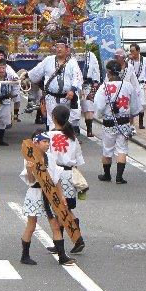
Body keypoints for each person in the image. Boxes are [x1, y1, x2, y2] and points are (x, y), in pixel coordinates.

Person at [19, 131, 76, 266]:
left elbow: (56, 179)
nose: (47, 144)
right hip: (35, 193)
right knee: (31, 225)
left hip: (50, 193)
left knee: (55, 225)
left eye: (47, 142)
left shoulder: (50, 158)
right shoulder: (30, 158)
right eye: (44, 142)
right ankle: (24, 255)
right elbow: (31, 180)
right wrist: (29, 170)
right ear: (36, 143)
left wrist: (61, 196)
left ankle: (62, 256)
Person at [46, 105, 86, 254]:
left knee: (60, 209)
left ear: (54, 118)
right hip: (70, 175)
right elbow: (78, 161)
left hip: (56, 175)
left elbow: (46, 158)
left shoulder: (48, 136)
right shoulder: (72, 137)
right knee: (64, 208)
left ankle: (76, 238)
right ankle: (60, 241)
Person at [95, 59, 135, 184]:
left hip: (109, 123)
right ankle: (119, 177)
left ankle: (107, 175)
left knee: (107, 149)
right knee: (122, 149)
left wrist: (99, 115)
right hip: (124, 123)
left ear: (108, 72)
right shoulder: (128, 86)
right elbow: (134, 105)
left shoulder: (104, 87)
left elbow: (99, 106)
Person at [27, 40, 83, 131]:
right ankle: (53, 142)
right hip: (51, 97)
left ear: (66, 49)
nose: (59, 49)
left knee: (67, 121)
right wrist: (26, 76)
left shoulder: (72, 62)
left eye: (61, 47)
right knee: (52, 121)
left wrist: (73, 90)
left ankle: (67, 141)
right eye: (57, 47)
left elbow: (76, 78)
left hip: (67, 98)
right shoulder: (48, 60)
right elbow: (36, 73)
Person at [0, 58, 19, 146]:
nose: (1, 70)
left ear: (6, 68)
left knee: (3, 121)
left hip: (6, 100)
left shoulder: (10, 76)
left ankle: (0, 140)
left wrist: (14, 95)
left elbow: (16, 81)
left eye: (3, 68)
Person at [126, 44, 146, 130]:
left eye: (133, 51)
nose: (132, 53)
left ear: (138, 51)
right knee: (130, 104)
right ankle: (131, 123)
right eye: (130, 51)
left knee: (141, 103)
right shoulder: (129, 61)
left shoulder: (144, 60)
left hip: (140, 84)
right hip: (131, 85)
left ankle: (141, 123)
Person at [76, 45, 101, 137]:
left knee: (88, 106)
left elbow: (96, 70)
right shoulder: (69, 56)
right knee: (73, 107)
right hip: (73, 85)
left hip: (87, 84)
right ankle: (74, 128)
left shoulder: (91, 56)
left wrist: (96, 83)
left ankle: (89, 130)